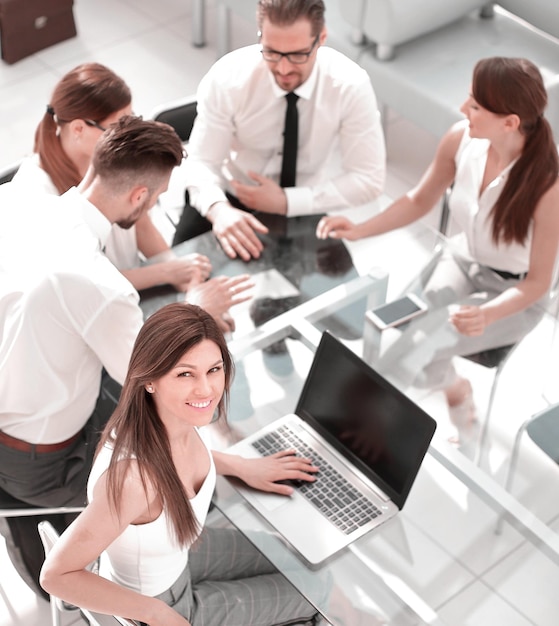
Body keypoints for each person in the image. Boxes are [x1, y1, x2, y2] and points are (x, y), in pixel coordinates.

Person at [0, 116, 252, 598]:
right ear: (139, 196)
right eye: (155, 200)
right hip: (44, 462)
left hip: (20, 411)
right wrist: (198, 312)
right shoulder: (101, 286)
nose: (153, 207)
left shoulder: (23, 207)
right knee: (184, 465)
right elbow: (165, 384)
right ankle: (177, 585)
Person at [317, 56, 559, 437]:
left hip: (513, 294)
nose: (464, 110)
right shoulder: (459, 138)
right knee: (404, 337)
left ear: (510, 122)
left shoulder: (549, 187)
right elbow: (417, 201)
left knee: (416, 352)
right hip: (461, 261)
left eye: (476, 106)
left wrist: (490, 314)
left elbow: (538, 284)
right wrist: (360, 230)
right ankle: (447, 389)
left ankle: (357, 424)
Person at [40, 302, 320, 626]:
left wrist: (242, 466)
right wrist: (156, 614)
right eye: (185, 374)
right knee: (313, 590)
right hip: (161, 601)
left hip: (180, 554)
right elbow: (56, 575)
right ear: (149, 379)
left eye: (214, 370)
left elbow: (178, 458)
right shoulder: (134, 480)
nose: (206, 389)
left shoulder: (172, 417)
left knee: (296, 556)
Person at [172, 0, 386, 261]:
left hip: (302, 204)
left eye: (298, 55)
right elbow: (203, 162)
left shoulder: (350, 86)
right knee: (177, 287)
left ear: (322, 39)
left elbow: (369, 179)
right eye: (271, 52)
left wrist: (287, 202)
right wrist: (219, 210)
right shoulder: (228, 78)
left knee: (336, 297)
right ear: (260, 35)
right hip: (229, 196)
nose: (283, 69)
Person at [12, 62, 212, 293]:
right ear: (78, 128)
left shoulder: (113, 154)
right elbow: (84, 284)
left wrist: (182, 274)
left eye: (130, 121)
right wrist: (165, 272)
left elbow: (142, 225)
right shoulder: (34, 192)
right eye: (117, 126)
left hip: (132, 288)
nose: (126, 135)